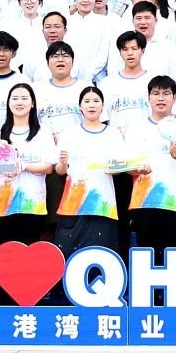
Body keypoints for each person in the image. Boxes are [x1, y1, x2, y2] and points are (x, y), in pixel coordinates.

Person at [124, 75, 176, 253]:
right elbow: (126, 166)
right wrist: (136, 169)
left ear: (174, 98)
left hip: (173, 201)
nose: (160, 98)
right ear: (148, 97)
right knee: (146, 255)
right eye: (156, 93)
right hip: (143, 202)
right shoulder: (136, 128)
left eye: (166, 93)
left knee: (171, 255)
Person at [56, 85, 123, 253]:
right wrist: (63, 163)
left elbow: (120, 167)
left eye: (96, 101)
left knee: (102, 253)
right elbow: (60, 170)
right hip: (74, 203)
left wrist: (113, 168)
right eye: (86, 101)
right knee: (70, 254)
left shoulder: (113, 134)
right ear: (80, 106)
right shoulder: (69, 133)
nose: (91, 105)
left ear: (103, 105)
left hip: (103, 204)